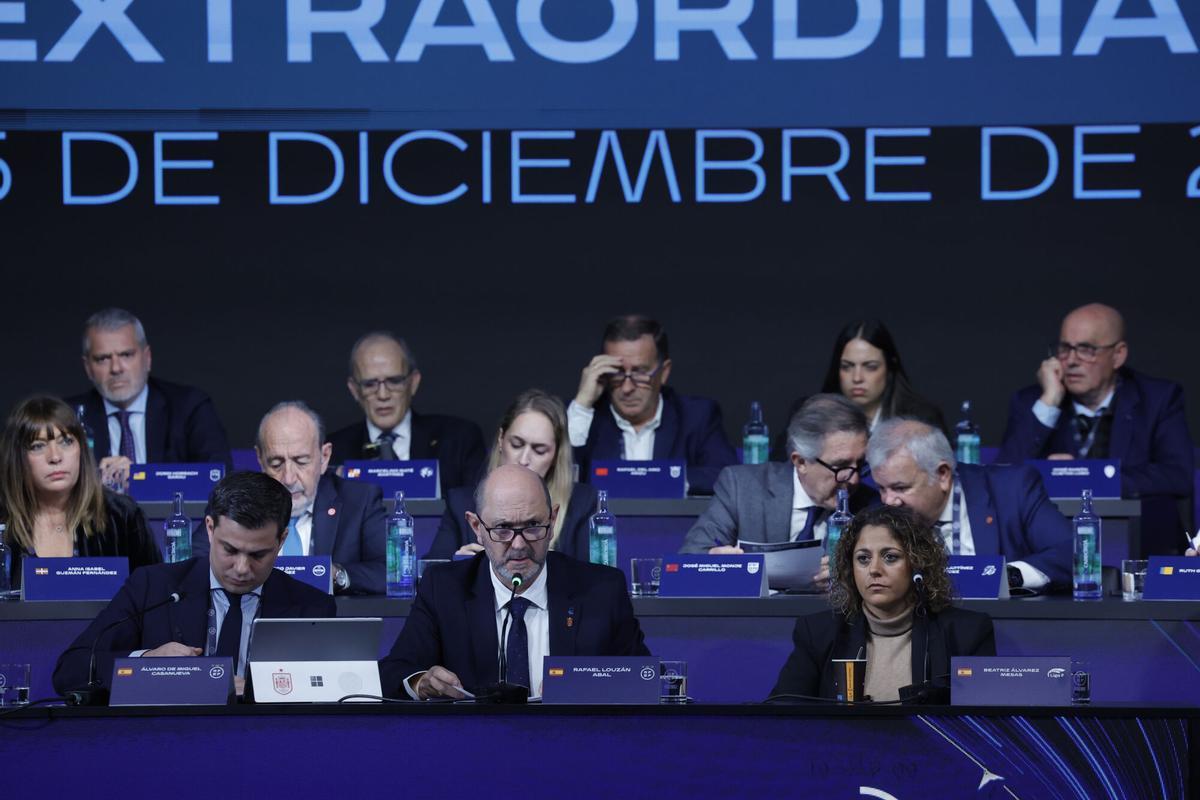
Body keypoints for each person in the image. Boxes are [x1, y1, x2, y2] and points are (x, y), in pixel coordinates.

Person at [52, 471, 337, 698]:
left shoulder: (312, 607)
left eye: (257, 555)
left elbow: (331, 694)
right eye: (230, 550)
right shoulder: (153, 587)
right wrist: (146, 662)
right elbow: (70, 670)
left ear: (281, 540)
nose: (241, 568)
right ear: (211, 529)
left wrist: (257, 689)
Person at [380, 464, 649, 700]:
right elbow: (395, 671)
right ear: (477, 528)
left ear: (552, 520)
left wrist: (584, 684)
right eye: (503, 529)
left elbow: (645, 678)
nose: (519, 545)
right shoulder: (444, 589)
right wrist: (422, 682)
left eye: (533, 527)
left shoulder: (602, 590)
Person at [999, 303, 1193, 554]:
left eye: (1086, 350)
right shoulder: (1032, 402)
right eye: (1065, 348)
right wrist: (1049, 402)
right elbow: (1001, 476)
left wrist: (1086, 477)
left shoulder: (1158, 399)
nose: (1071, 361)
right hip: (1050, 547)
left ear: (1118, 355)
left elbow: (1178, 476)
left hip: (1138, 544)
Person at [769, 505, 995, 703]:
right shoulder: (819, 633)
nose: (874, 569)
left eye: (890, 557)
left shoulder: (967, 633)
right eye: (863, 558)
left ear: (918, 563)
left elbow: (982, 727)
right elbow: (783, 714)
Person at [192, 402, 386, 595]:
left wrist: (337, 575)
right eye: (276, 464)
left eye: (301, 462)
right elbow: (194, 562)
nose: (289, 478)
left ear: (324, 457)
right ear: (260, 458)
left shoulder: (361, 500)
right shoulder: (235, 497)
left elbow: (389, 572)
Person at [871, 419, 1072, 591]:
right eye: (882, 488)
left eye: (900, 488)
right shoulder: (877, 512)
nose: (889, 501)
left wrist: (1007, 577)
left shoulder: (1012, 490)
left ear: (942, 474)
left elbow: (1072, 552)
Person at [681, 395, 877, 565]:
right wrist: (714, 560)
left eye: (859, 464)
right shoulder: (741, 487)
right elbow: (691, 556)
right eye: (841, 466)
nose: (854, 479)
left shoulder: (870, 505)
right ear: (800, 462)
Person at [0, 396, 160, 589]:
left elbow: (157, 599)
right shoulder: (3, 519)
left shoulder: (122, 517)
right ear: (17, 458)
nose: (55, 457)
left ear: (81, 449)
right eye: (38, 446)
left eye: (66, 442)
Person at [568, 314, 736, 495]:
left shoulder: (696, 416)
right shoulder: (586, 418)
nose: (626, 388)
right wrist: (583, 403)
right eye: (616, 373)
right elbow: (560, 480)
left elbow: (726, 477)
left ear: (664, 372)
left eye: (640, 373)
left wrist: (654, 481)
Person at [68, 308, 232, 489]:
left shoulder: (189, 407)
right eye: (103, 359)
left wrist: (143, 478)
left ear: (147, 358)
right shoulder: (68, 417)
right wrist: (94, 481)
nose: (116, 368)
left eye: (126, 355)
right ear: (88, 367)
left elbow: (219, 480)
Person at [427, 389, 598, 562]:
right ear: (501, 439)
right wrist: (459, 567)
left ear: (556, 455)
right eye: (516, 445)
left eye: (539, 450)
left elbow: (597, 578)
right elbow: (430, 573)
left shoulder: (581, 503)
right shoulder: (461, 503)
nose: (524, 460)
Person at [327, 331, 486, 491]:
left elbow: (473, 508)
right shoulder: (333, 452)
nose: (383, 395)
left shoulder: (458, 439)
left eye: (394, 381)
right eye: (370, 384)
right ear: (354, 390)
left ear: (413, 382)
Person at [772, 319, 945, 459]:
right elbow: (778, 472)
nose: (857, 378)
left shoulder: (921, 417)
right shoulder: (810, 413)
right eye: (847, 366)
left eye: (870, 366)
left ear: (890, 367)